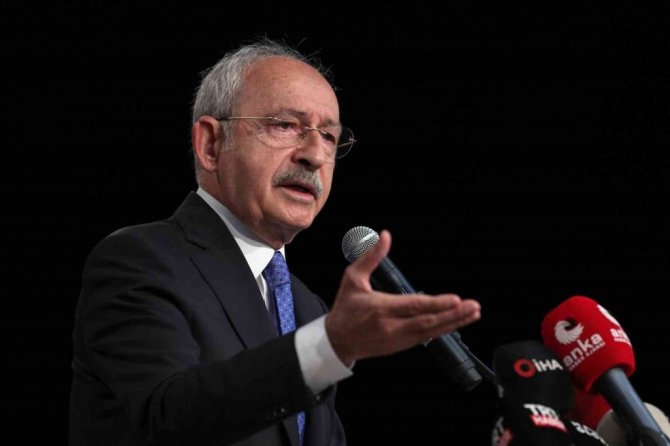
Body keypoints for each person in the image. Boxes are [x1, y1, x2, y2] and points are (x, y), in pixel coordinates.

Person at [69, 37, 482, 446]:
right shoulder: (140, 261)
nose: (315, 156)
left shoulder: (306, 305)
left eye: (329, 137)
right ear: (211, 144)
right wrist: (327, 346)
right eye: (285, 125)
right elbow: (170, 417)